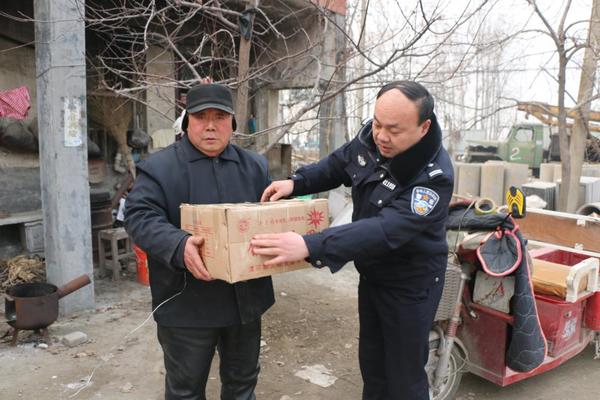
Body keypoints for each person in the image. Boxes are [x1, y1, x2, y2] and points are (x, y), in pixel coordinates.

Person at [251, 81, 454, 400]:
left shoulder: (432, 179)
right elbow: (338, 164)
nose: (382, 136)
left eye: (394, 130)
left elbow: (385, 230)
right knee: (373, 367)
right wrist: (296, 183)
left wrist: (311, 245)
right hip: (373, 275)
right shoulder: (371, 139)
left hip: (411, 284)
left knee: (404, 377)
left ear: (423, 127)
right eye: (378, 123)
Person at [124, 83, 274, 400]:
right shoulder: (159, 168)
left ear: (232, 122)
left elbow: (271, 218)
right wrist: (178, 245)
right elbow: (139, 216)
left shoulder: (255, 166)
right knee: (186, 391)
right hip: (186, 305)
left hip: (245, 302)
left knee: (242, 385)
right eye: (200, 116)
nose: (210, 125)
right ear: (186, 121)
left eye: (219, 117)